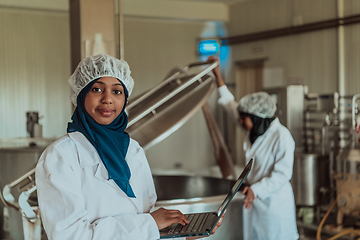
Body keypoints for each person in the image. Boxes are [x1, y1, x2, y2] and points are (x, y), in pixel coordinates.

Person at [35, 54, 223, 240]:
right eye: (97, 89)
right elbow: (71, 236)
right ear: (81, 95)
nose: (108, 99)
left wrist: (183, 234)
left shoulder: (133, 150)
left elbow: (147, 227)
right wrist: (150, 223)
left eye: (117, 91)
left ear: (125, 98)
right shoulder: (60, 156)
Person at [207, 56, 299, 240]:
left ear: (257, 117)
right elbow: (229, 105)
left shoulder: (282, 137)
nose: (240, 121)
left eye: (244, 118)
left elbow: (282, 175)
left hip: (274, 205)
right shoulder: (254, 129)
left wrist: (256, 190)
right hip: (254, 203)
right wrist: (217, 74)